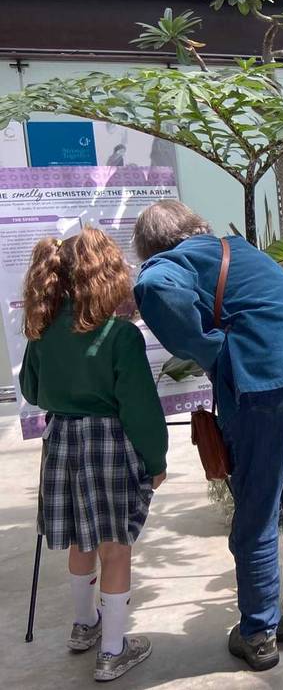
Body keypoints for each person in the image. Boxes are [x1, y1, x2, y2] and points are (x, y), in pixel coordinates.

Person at [131, 200, 283, 671]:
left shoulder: (169, 263)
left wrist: (211, 350)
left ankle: (258, 634)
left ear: (153, 246)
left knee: (258, 511)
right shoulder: (234, 248)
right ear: (196, 226)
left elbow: (154, 287)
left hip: (270, 383)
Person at [19, 229, 168, 682]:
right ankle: (113, 649)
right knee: (116, 548)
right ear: (108, 275)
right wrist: (156, 460)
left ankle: (84, 625)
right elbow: (140, 408)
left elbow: (30, 390)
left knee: (81, 539)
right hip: (109, 445)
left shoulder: (43, 333)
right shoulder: (120, 335)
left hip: (61, 443)